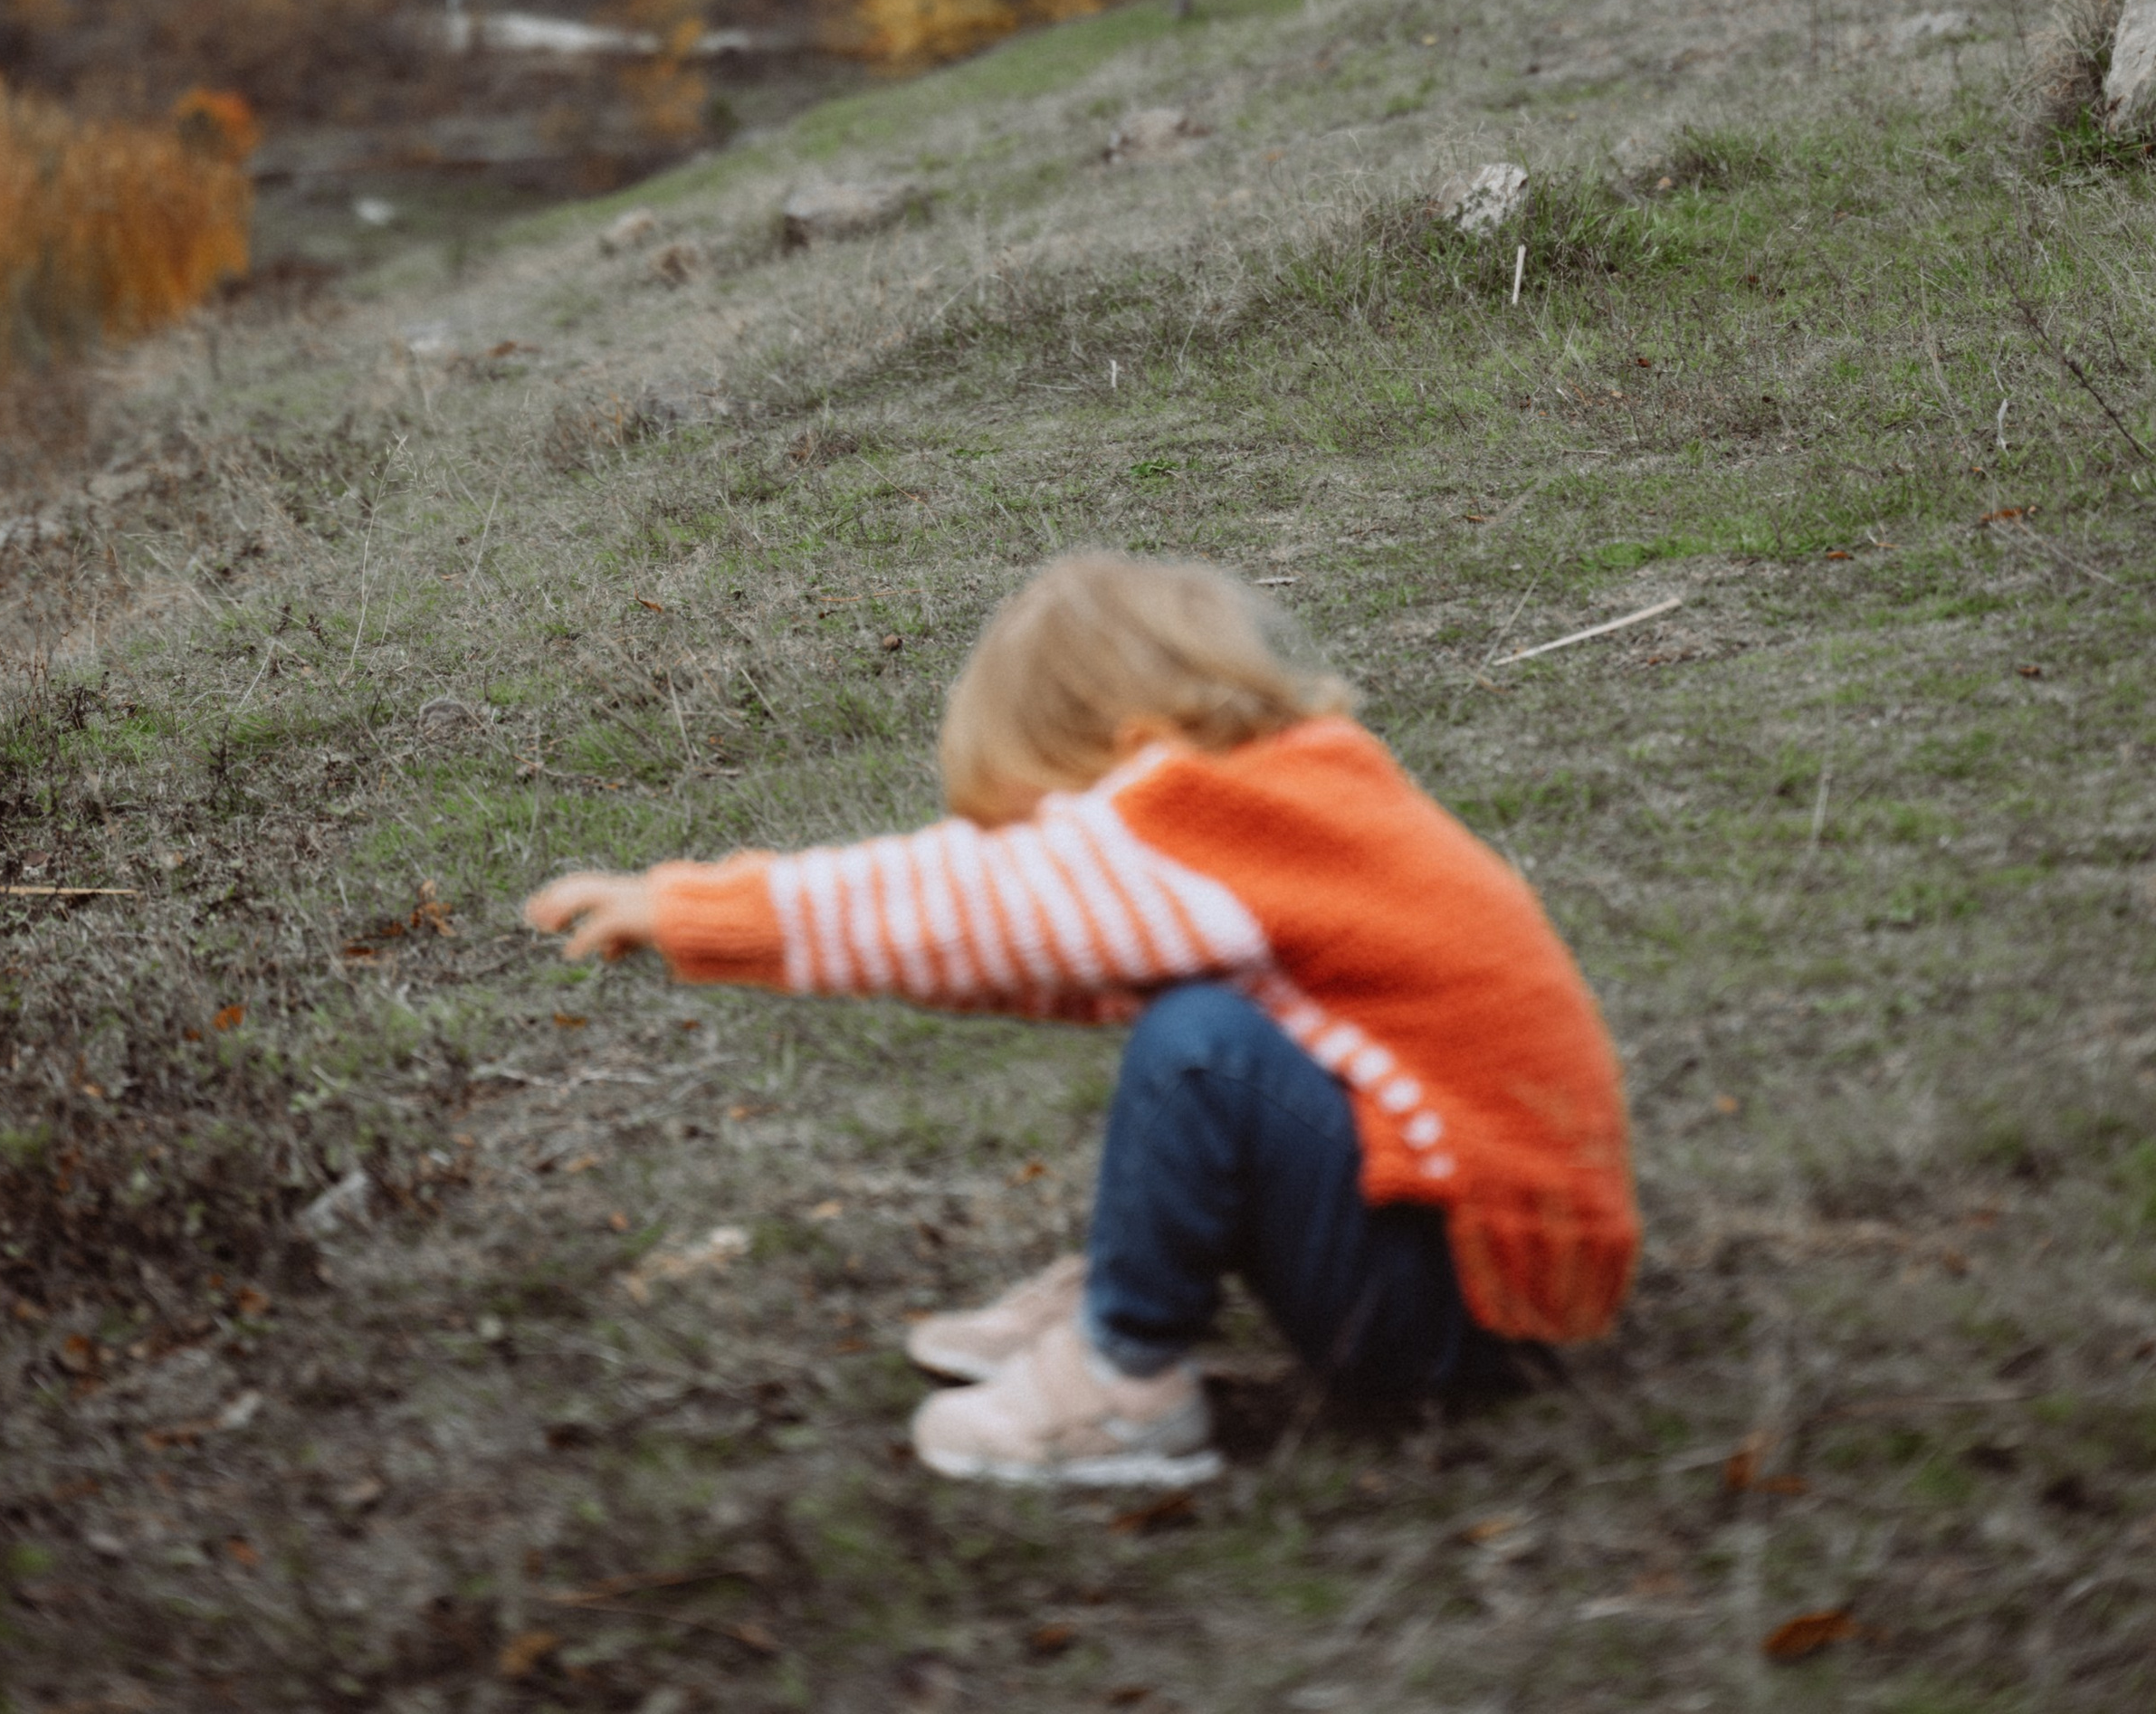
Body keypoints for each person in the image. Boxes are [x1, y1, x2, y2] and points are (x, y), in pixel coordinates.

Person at [525, 553, 1639, 1490]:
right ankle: (1127, 1282)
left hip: (1455, 1302)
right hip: (1480, 1274)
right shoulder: (1296, 801)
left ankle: (1125, 1377)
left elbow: (985, 907)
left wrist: (702, 910)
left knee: (1200, 1049)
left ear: (1133, 743)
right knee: (1200, 1026)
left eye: (1052, 814)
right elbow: (1052, 960)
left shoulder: (1218, 815)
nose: (1046, 845)